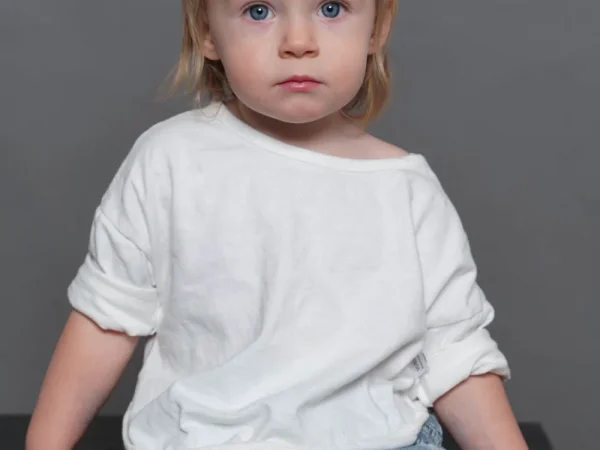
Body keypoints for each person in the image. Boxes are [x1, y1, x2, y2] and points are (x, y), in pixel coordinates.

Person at [26, 1, 529, 449]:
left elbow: (455, 357)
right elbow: (106, 318)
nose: (298, 42)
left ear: (377, 28)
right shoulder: (170, 160)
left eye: (331, 8)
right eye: (259, 11)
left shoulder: (407, 190)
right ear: (207, 33)